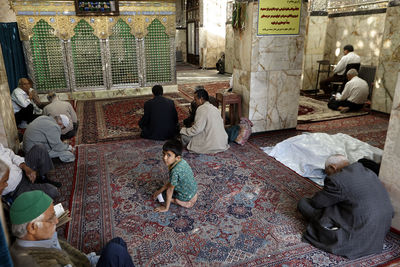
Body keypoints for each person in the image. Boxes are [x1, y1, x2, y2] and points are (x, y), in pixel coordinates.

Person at [297, 154, 393, 259]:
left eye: (327, 173)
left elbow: (316, 203)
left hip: (357, 237)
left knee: (304, 203)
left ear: (333, 167)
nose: (327, 176)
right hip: (379, 234)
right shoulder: (368, 172)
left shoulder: (337, 179)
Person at [9, 190, 135, 267]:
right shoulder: (36, 262)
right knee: (116, 252)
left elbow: (79, 259)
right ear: (32, 227)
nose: (57, 221)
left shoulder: (36, 239)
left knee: (117, 242)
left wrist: (93, 260)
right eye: (51, 218)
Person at [153, 139, 198, 212]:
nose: (164, 158)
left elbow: (170, 190)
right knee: (160, 189)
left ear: (177, 157)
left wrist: (166, 208)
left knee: (160, 197)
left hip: (185, 196)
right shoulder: (182, 161)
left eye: (169, 155)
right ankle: (192, 197)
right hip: (193, 190)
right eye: (164, 154)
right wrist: (160, 190)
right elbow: (172, 182)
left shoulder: (175, 171)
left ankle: (182, 202)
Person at [180, 89, 229, 154]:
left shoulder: (201, 109)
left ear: (201, 99)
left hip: (211, 145)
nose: (195, 101)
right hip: (222, 143)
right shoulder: (215, 108)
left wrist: (183, 130)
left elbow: (197, 129)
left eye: (195, 99)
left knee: (183, 136)